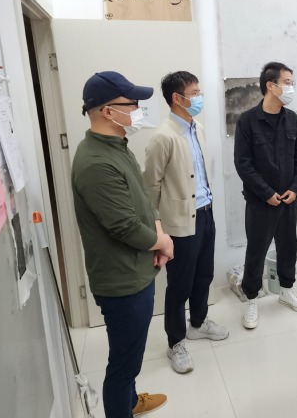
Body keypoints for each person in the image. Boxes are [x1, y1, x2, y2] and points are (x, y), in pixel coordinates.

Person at [72, 71, 172, 417]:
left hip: (138, 268)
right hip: (121, 281)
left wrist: (157, 231)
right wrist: (163, 242)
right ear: (107, 111)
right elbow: (123, 225)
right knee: (123, 364)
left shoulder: (117, 146)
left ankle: (130, 402)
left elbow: (142, 195)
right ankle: (121, 406)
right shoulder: (95, 162)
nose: (138, 110)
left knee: (132, 354)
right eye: (132, 104)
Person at [144, 71, 228, 374]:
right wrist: (157, 230)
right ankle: (176, 341)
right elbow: (150, 188)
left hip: (205, 213)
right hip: (179, 223)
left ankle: (198, 323)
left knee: (204, 274)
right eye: (194, 93)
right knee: (180, 284)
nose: (199, 97)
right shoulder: (162, 138)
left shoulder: (197, 129)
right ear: (177, 98)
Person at [234, 61, 297, 329]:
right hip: (260, 202)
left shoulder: (293, 120)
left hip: (288, 199)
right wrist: (266, 193)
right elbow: (243, 164)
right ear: (271, 85)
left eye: (291, 83)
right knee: (256, 250)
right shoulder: (247, 121)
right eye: (287, 82)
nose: (291, 88)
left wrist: (295, 189)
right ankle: (251, 297)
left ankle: (286, 290)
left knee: (288, 246)